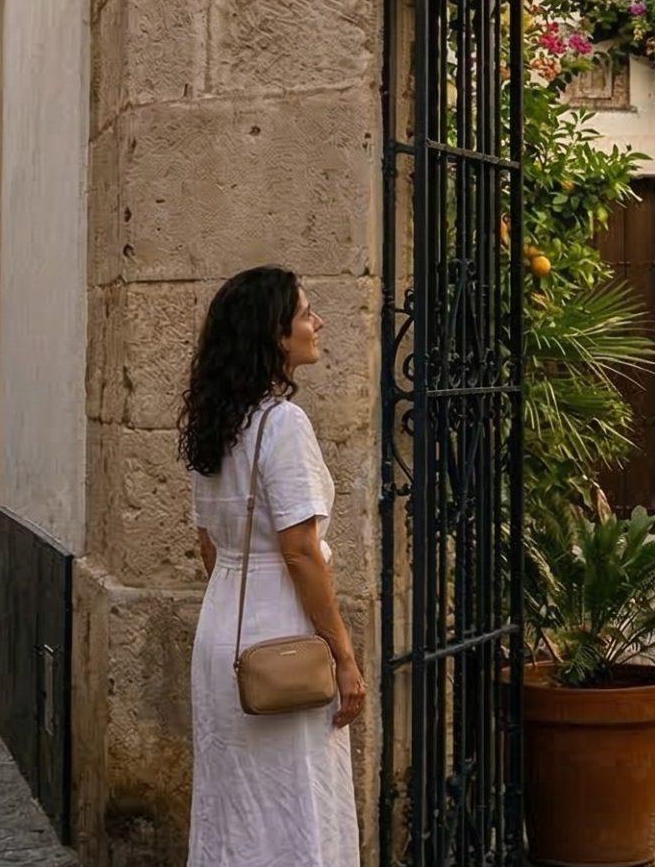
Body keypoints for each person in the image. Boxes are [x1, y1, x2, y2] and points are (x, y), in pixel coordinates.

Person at [181, 266, 363, 866]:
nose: (318, 324)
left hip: (225, 623)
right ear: (276, 336)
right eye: (306, 314)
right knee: (294, 796)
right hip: (281, 629)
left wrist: (240, 587)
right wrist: (342, 654)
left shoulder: (216, 426)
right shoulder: (282, 424)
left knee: (234, 798)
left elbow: (210, 544)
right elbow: (301, 551)